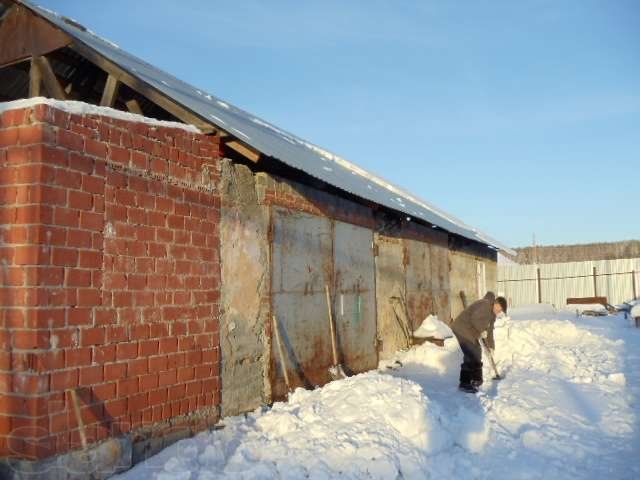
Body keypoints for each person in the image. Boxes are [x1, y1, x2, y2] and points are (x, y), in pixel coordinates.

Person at [451, 292, 508, 393]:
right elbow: (474, 319)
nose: (499, 311)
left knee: (477, 351)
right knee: (471, 354)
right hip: (462, 328)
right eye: (499, 307)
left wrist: (491, 347)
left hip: (470, 331)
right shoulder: (485, 305)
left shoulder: (492, 315)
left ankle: (476, 379)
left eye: (501, 310)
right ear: (495, 302)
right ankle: (465, 383)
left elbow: (490, 332)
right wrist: (482, 331)